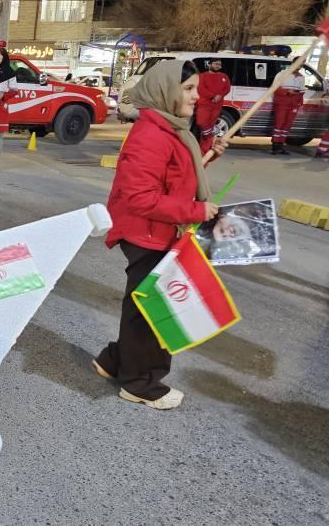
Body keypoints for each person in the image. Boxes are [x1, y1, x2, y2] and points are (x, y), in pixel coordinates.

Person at [94, 60, 227, 410]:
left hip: (159, 231)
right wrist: (197, 211)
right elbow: (141, 197)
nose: (196, 96)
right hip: (146, 234)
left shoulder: (171, 128)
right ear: (166, 91)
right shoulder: (152, 134)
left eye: (196, 88)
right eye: (188, 89)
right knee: (151, 314)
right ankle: (139, 384)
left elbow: (175, 175)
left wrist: (207, 156)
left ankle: (113, 361)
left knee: (142, 307)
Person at [194, 59, 230, 155]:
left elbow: (227, 88)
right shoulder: (203, 76)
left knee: (211, 125)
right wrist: (213, 96)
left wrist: (220, 95)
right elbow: (201, 89)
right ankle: (209, 139)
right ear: (210, 64)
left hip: (217, 105)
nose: (218, 66)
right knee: (201, 123)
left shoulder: (224, 76)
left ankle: (205, 148)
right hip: (204, 105)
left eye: (219, 64)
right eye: (216, 64)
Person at [270, 69, 305, 155]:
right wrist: (287, 91)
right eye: (299, 64)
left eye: (302, 64)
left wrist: (299, 104)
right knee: (279, 124)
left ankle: (281, 146)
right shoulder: (282, 74)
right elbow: (274, 87)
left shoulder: (301, 77)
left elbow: (302, 92)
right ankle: (275, 146)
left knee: (287, 126)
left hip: (294, 105)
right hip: (282, 103)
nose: (299, 66)